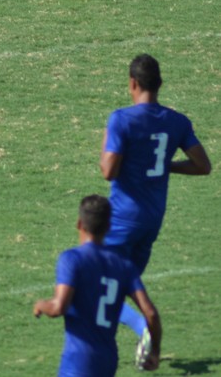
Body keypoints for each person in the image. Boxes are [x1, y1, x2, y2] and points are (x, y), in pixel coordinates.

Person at [99, 54, 211, 362]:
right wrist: (164, 164)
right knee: (119, 287)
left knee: (99, 284)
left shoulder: (121, 119)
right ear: (159, 84)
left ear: (132, 84)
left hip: (122, 219)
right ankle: (132, 344)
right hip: (152, 220)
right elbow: (203, 166)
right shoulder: (177, 122)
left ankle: (142, 327)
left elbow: (108, 170)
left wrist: (107, 143)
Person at [33, 194, 162, 377]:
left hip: (78, 361)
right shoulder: (124, 265)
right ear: (109, 227)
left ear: (79, 223)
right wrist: (155, 350)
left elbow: (58, 308)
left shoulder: (72, 259)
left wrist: (40, 305)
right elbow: (151, 313)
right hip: (108, 360)